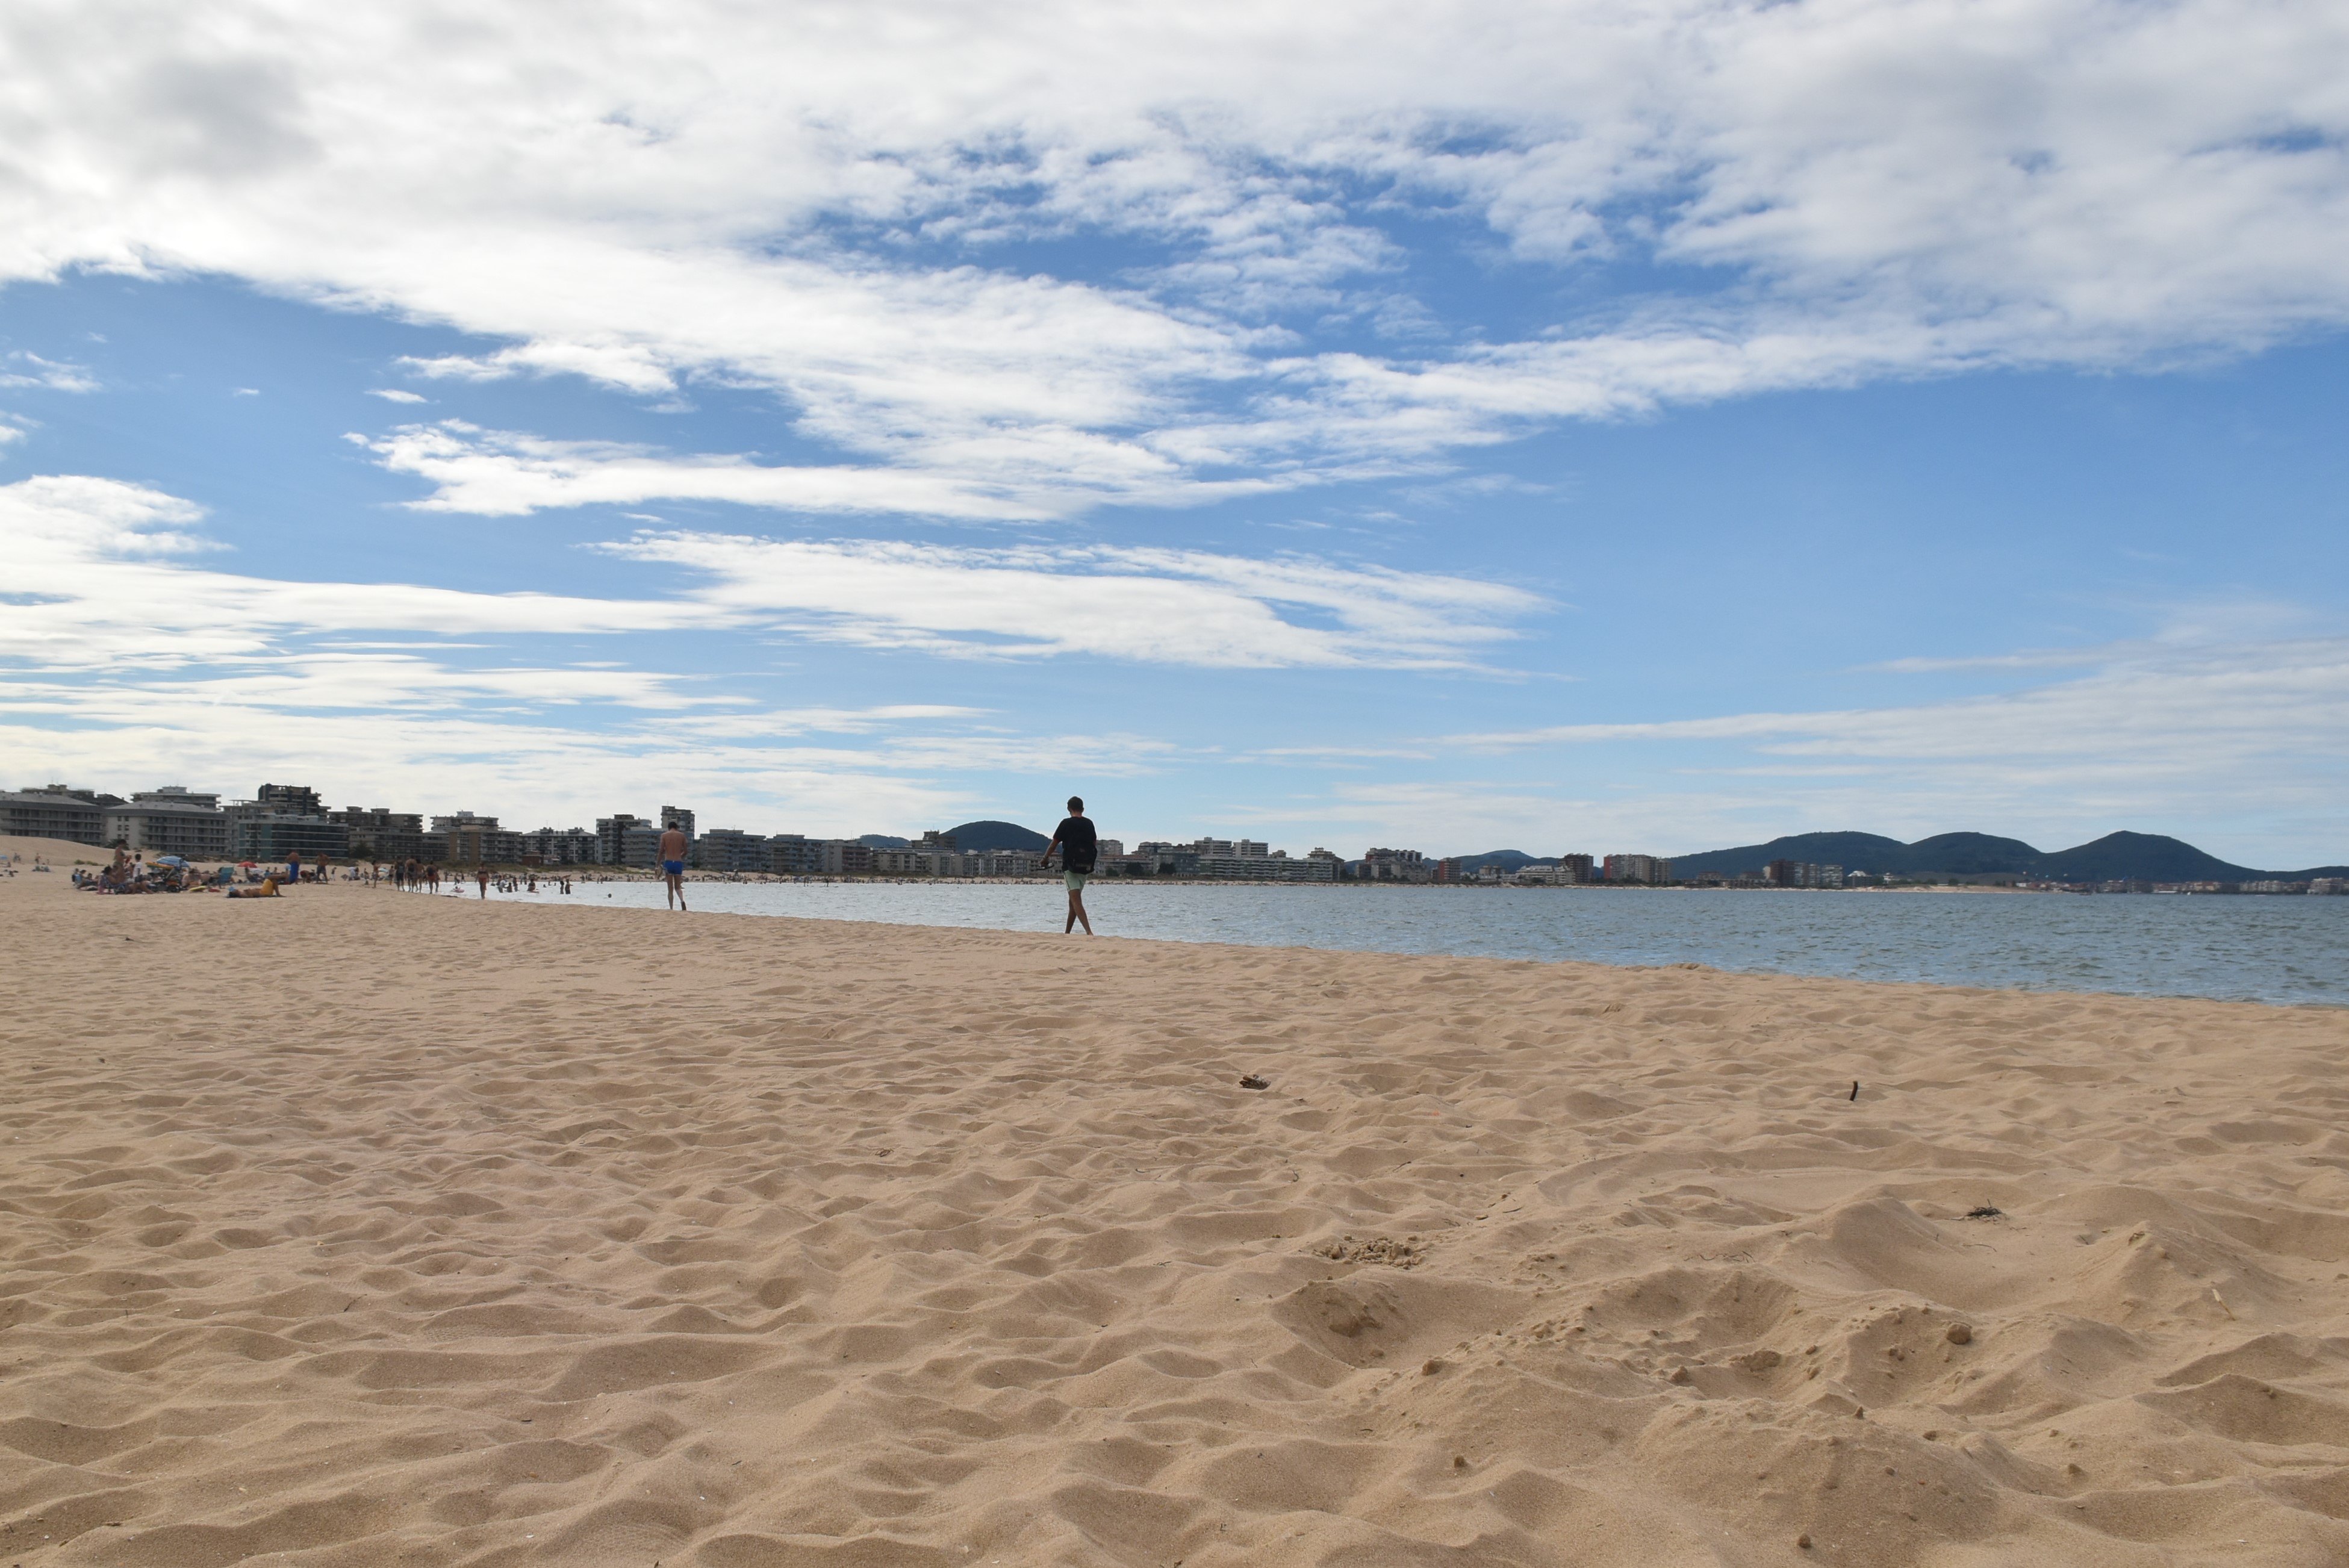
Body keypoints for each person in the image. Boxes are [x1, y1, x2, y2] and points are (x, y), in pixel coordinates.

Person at [1039, 795, 1098, 935]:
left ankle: (1089, 932)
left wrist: (1045, 858)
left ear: (1069, 809)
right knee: (1073, 902)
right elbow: (1094, 843)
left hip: (1071, 867)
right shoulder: (1089, 823)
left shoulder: (1066, 823)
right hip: (1086, 866)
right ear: (1083, 809)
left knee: (1076, 901)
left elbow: (1054, 844)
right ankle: (1067, 933)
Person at [659, 823, 689, 910]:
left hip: (668, 862)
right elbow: (686, 851)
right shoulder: (682, 836)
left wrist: (657, 865)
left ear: (669, 828)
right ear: (677, 828)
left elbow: (661, 851)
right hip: (678, 862)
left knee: (670, 888)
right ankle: (682, 901)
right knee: (678, 887)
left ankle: (671, 908)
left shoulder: (664, 836)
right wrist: (680, 856)